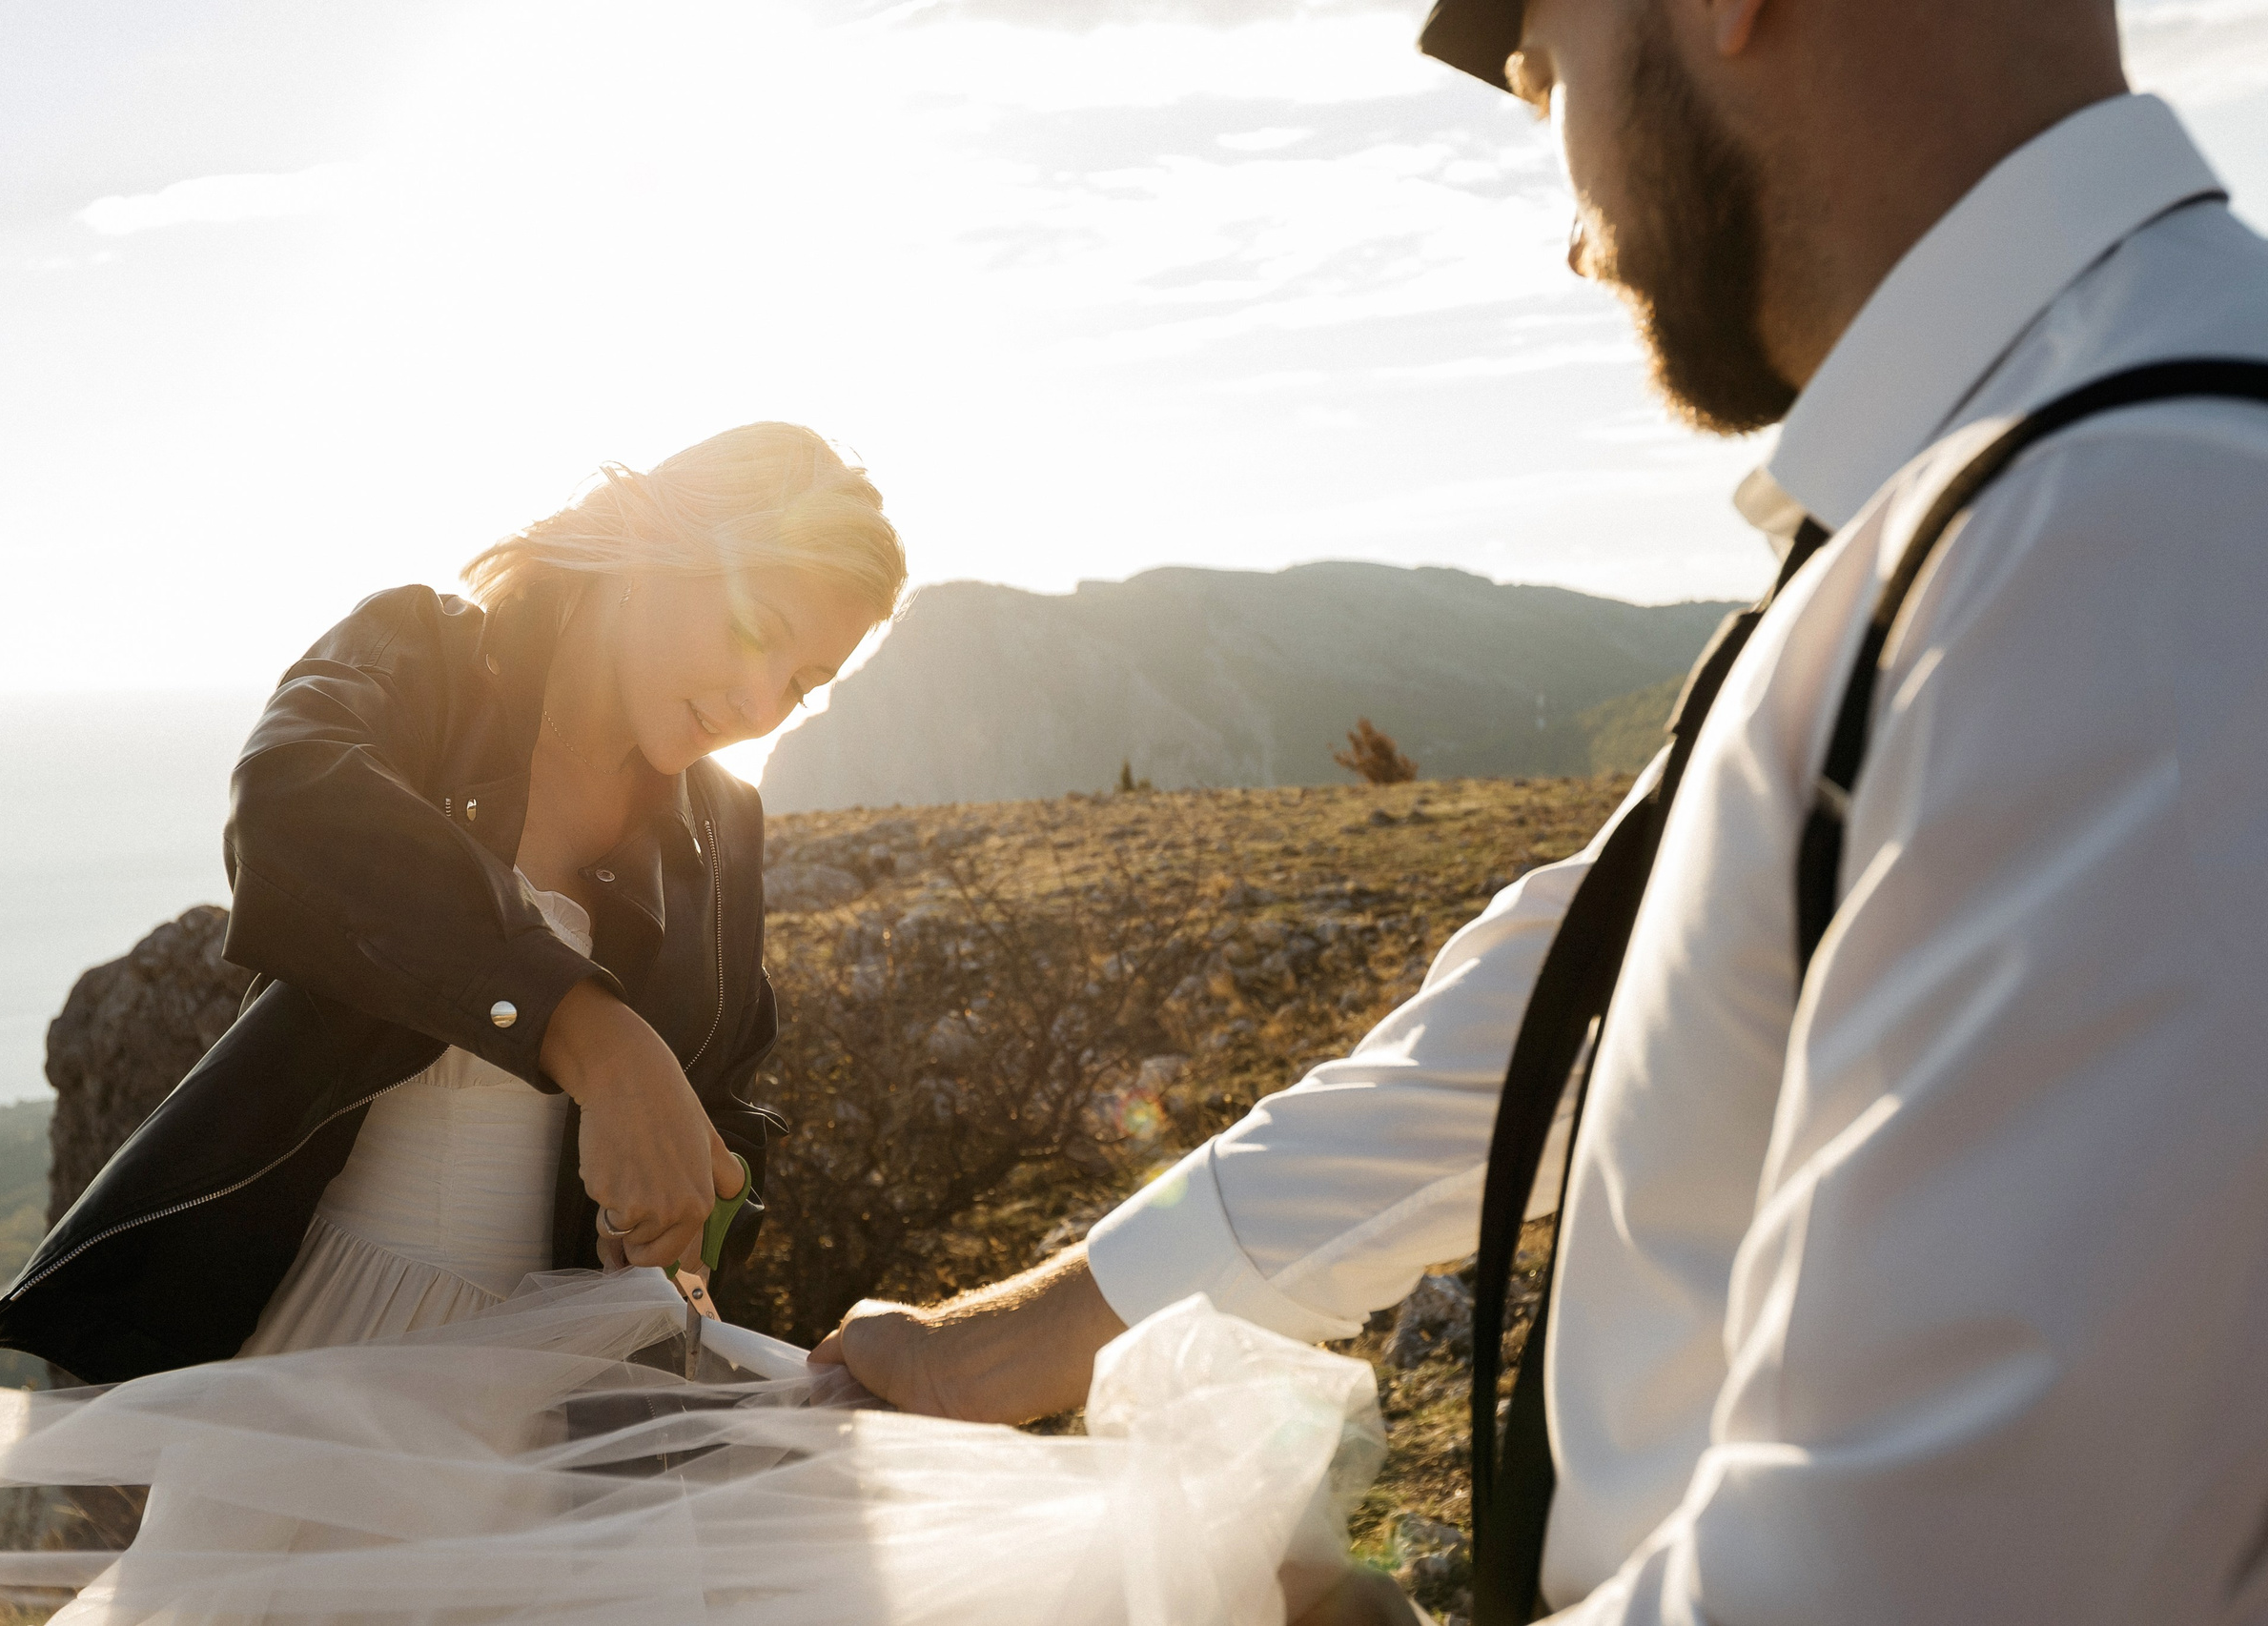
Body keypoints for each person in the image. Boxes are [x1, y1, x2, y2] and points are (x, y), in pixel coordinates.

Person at [818, 3, 2268, 1622]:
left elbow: (1947, 1576)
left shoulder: (2135, 540)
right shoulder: (2011, 496)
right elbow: (1578, 997)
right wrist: (1007, 1339)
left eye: (1541, 77)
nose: (1574, 229)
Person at [0, 421, 906, 1382]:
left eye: (802, 682)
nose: (758, 702)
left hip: (566, 1391)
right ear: (658, 550)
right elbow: (290, 806)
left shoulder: (724, 823)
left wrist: (704, 1199)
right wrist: (592, 1035)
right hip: (324, 1347)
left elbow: (729, 1092)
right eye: (756, 631)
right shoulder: (418, 657)